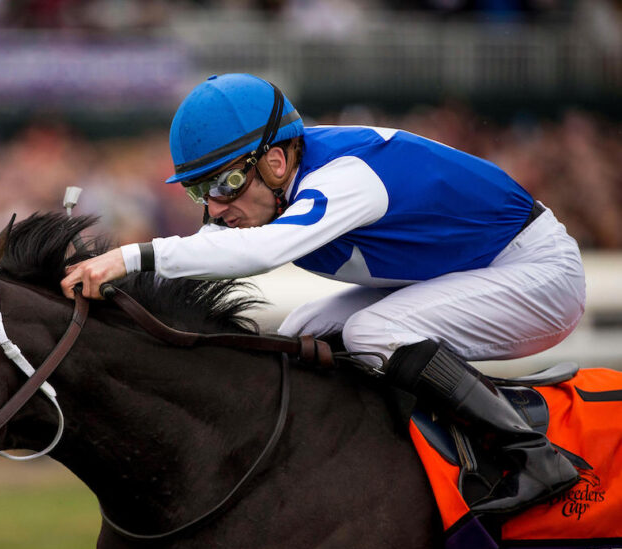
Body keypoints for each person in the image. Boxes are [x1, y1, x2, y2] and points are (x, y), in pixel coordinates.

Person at [60, 73, 585, 514]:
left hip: (537, 274)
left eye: (222, 185)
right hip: (471, 271)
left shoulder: (344, 177)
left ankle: (532, 455)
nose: (215, 207)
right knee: (297, 332)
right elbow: (206, 251)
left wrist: (130, 257)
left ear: (275, 163)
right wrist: (103, 269)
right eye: (201, 191)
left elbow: (263, 252)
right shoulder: (273, 186)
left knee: (370, 331)